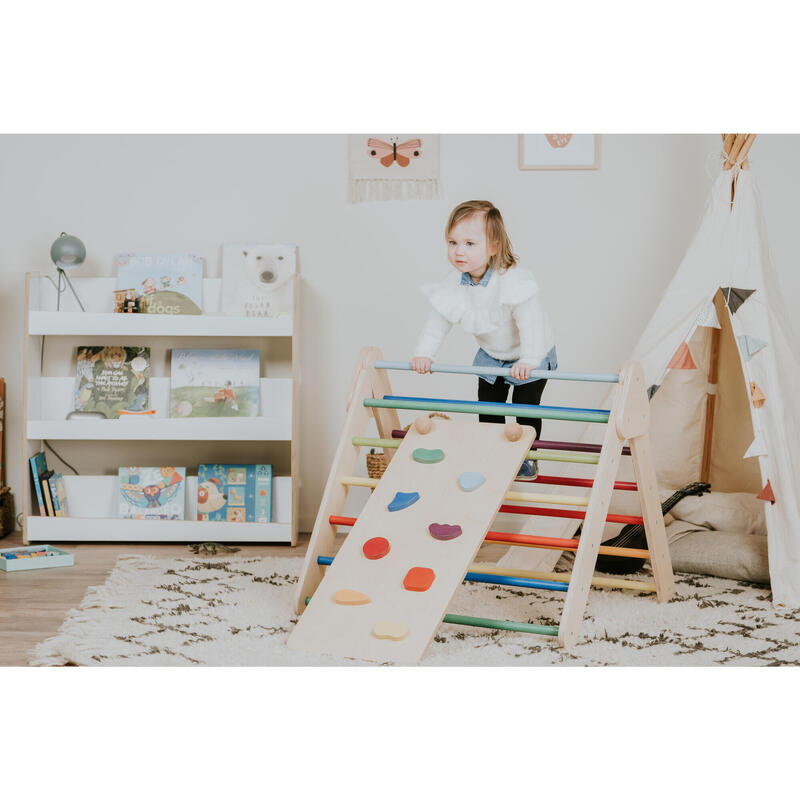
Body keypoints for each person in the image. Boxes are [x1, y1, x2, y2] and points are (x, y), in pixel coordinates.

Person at [411, 200, 557, 480]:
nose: (458, 251)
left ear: (493, 246)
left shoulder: (513, 282)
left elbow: (532, 325)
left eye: (469, 243)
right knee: (488, 407)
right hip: (493, 354)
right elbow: (437, 322)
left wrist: (529, 359)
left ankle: (528, 459)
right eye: (452, 242)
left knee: (525, 408)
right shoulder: (453, 284)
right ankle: (492, 453)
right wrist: (424, 354)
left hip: (531, 351)